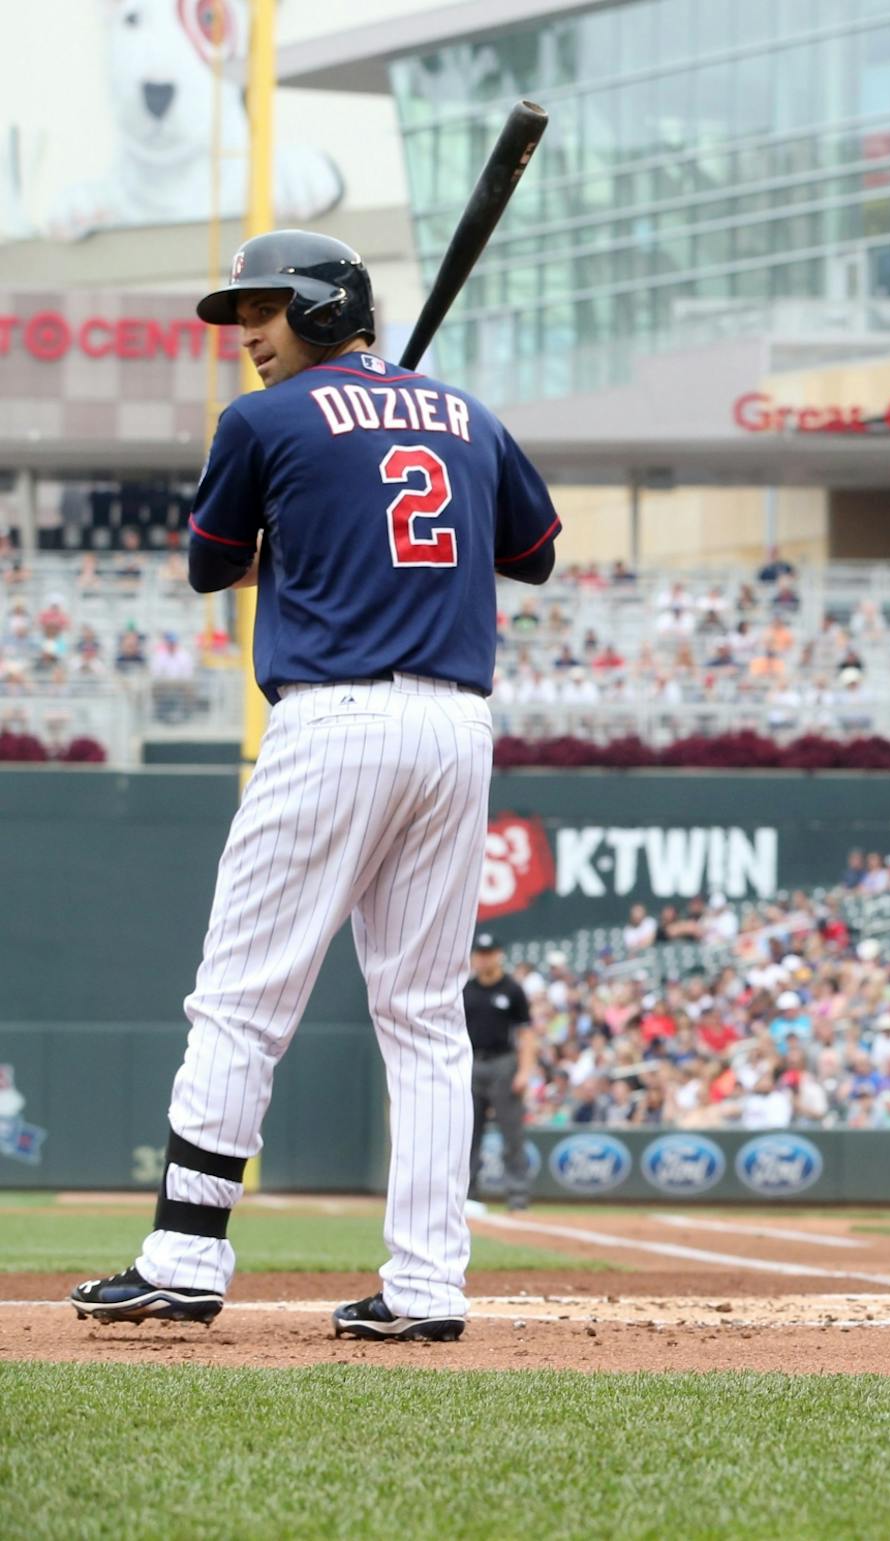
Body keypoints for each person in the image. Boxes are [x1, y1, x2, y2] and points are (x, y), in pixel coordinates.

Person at [68, 230, 561, 1343]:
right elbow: (532, 552)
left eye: (267, 310)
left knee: (241, 998)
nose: (247, 334)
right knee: (425, 1015)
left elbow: (211, 562)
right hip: (456, 728)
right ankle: (428, 1286)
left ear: (329, 312)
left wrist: (306, 530)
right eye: (243, 312)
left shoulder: (265, 420)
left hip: (334, 718)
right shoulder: (467, 413)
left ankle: (185, 1254)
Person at [463, 932, 536, 1215]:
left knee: (512, 1134)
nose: (484, 958)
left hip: (503, 1064)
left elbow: (526, 1033)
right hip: (471, 1063)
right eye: (480, 953)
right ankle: (468, 1196)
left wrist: (525, 1071)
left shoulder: (512, 990)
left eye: (489, 952)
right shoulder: (465, 990)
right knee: (468, 1135)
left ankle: (518, 1197)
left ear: (498, 955)